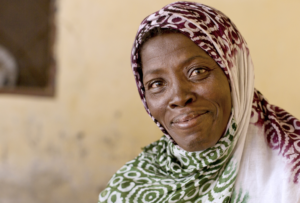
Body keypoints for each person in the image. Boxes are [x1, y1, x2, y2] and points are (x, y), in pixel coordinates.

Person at [99, 2, 300, 202]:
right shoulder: (130, 188)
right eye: (157, 83)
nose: (179, 97)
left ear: (234, 73)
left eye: (197, 72)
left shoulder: (291, 168)